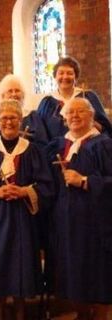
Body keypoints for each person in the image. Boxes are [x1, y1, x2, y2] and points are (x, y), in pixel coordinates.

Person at [0, 100, 54, 320]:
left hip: (24, 219)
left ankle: (20, 315)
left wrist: (25, 191)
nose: (8, 121)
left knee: (21, 269)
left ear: (20, 120)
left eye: (13, 117)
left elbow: (46, 186)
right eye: (4, 118)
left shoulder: (32, 151)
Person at [46, 97, 112, 320]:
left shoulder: (103, 144)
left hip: (95, 224)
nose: (74, 116)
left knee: (98, 274)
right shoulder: (58, 146)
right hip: (66, 223)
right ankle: (82, 315)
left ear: (92, 117)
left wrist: (84, 181)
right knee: (74, 274)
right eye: (70, 113)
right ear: (64, 119)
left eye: (80, 112)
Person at [37, 56, 112, 140]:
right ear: (55, 76)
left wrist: (90, 123)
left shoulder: (88, 97)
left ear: (76, 77)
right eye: (61, 73)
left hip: (88, 148)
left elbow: (106, 129)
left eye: (69, 73)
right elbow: (40, 134)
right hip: (56, 150)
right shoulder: (47, 103)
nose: (65, 77)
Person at [0, 74, 49, 148]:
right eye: (10, 91)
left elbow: (42, 145)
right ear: (2, 96)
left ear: (23, 95)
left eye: (17, 90)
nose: (14, 94)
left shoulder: (33, 119)